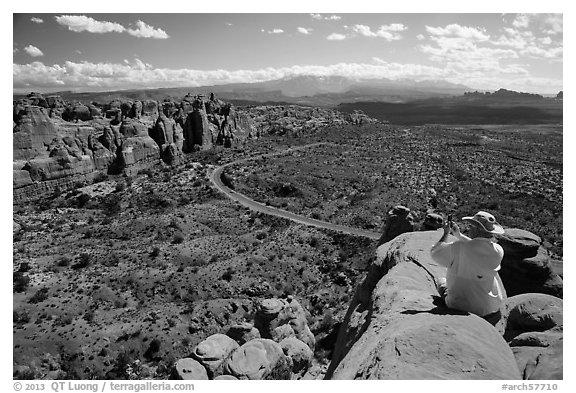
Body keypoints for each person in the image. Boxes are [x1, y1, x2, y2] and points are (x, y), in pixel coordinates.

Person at [430, 211, 507, 318]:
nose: (469, 228)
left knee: (441, 281)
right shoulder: (498, 250)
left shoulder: (459, 247)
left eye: (471, 226)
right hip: (487, 307)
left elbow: (435, 253)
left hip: (459, 305)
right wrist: (458, 235)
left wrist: (446, 233)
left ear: (476, 229)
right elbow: (478, 246)